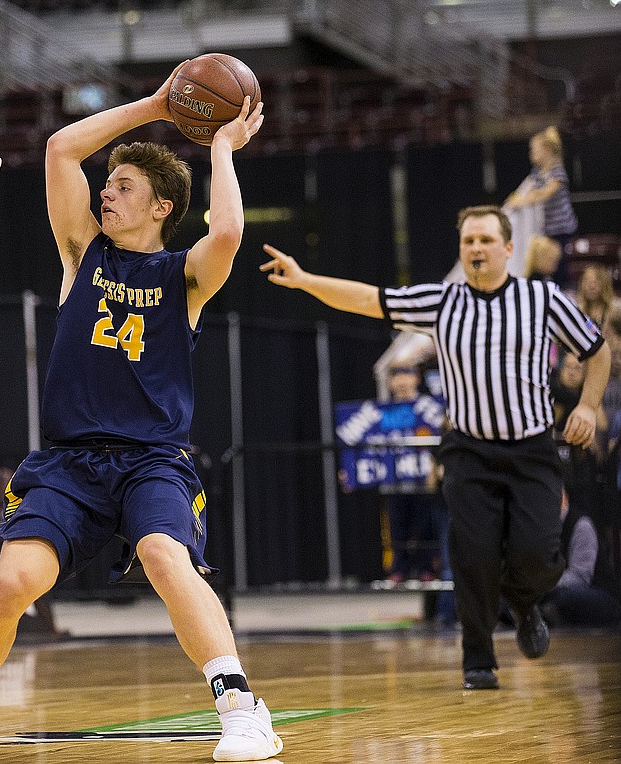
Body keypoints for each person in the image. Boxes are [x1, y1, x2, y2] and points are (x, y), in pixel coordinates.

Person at [0, 67, 281, 762]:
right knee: (9, 582)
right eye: (109, 184)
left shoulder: (185, 277)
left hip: (151, 459)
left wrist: (222, 148)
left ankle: (242, 708)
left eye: (124, 186)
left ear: (162, 207)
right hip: (69, 462)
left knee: (164, 554)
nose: (107, 191)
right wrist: (158, 106)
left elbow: (226, 232)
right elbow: (61, 150)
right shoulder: (82, 254)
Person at [260, 204, 611, 691]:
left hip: (532, 450)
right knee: (472, 554)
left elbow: (597, 351)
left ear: (508, 248)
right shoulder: (443, 302)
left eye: (486, 240)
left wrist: (590, 408)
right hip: (469, 451)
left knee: (538, 555)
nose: (476, 248)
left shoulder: (543, 299)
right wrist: (305, 279)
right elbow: (369, 299)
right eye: (468, 241)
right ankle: (478, 662)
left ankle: (526, 605)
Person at [379, 365, 439, 584]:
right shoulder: (379, 410)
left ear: (416, 378)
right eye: (396, 376)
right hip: (393, 481)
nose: (402, 381)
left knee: (425, 526)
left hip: (423, 481)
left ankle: (426, 567)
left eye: (407, 374)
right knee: (396, 528)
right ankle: (399, 569)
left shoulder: (429, 407)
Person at [503, 126, 577, 287]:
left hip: (561, 230)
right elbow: (526, 190)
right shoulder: (536, 172)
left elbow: (544, 193)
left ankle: (566, 289)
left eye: (534, 149)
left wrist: (521, 201)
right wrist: (514, 200)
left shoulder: (557, 172)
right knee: (544, 265)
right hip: (545, 230)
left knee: (559, 264)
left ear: (546, 150)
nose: (531, 152)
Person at [539, 486, 621, 628]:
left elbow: (581, 577)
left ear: (564, 500)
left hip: (598, 593)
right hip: (557, 588)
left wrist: (545, 584)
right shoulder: (546, 530)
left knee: (563, 598)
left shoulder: (581, 525)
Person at [575, 263, 619, 329]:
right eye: (587, 281)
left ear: (605, 283)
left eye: (596, 281)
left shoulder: (616, 309)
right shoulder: (577, 310)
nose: (591, 286)